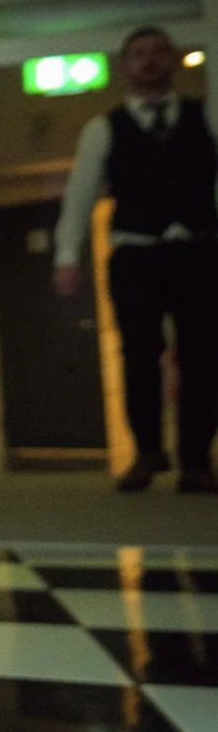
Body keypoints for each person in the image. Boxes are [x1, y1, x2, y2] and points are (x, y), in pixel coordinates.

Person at [52, 26, 216, 492]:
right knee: (138, 355)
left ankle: (197, 459)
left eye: (157, 52)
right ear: (125, 68)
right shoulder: (104, 128)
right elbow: (80, 196)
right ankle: (147, 451)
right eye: (139, 54)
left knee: (203, 355)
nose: (148, 61)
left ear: (174, 60)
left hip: (199, 248)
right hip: (135, 254)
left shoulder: (204, 116)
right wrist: (66, 256)